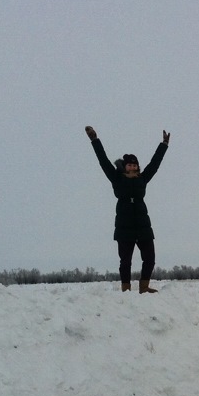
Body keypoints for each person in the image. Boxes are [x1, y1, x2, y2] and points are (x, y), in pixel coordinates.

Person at [85, 125, 170, 293]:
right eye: (130, 165)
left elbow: (154, 164)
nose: (133, 167)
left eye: (135, 165)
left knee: (150, 259)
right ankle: (126, 290)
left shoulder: (143, 179)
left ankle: (144, 287)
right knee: (125, 261)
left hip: (143, 225)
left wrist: (164, 145)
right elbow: (103, 160)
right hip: (124, 226)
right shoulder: (116, 178)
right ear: (125, 166)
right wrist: (94, 140)